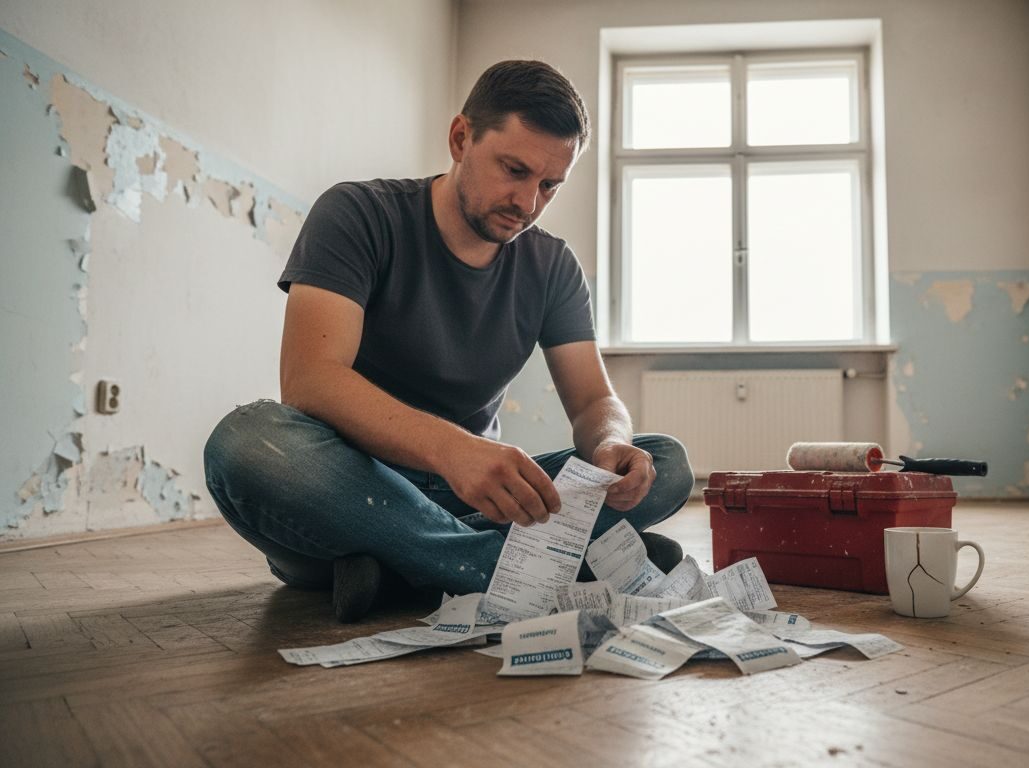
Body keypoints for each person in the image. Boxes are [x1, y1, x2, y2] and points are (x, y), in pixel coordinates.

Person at [203, 60, 693, 622]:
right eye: (514, 170)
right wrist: (454, 451)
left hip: (473, 497)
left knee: (666, 463)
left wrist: (610, 445)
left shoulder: (553, 266)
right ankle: (536, 567)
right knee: (244, 443)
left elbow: (592, 401)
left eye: (549, 186)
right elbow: (310, 380)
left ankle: (413, 565)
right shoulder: (358, 214)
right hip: (354, 486)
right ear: (461, 138)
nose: (528, 203)